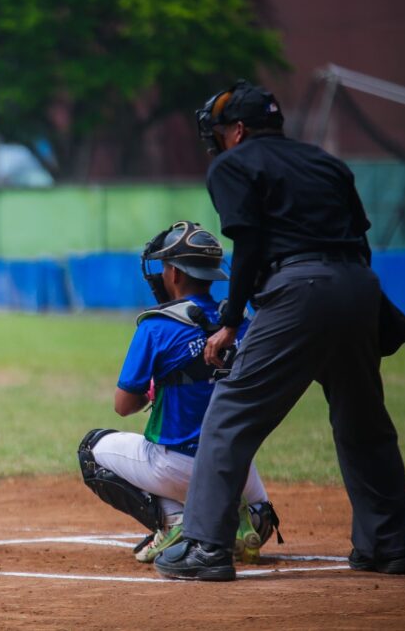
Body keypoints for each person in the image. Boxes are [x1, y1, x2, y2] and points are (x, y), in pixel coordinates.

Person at [154, 81, 405, 581]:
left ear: (240, 130)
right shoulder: (326, 162)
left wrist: (230, 321)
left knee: (231, 413)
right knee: (364, 424)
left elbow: (248, 244)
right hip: (359, 287)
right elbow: (359, 242)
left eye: (221, 130)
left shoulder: (233, 165)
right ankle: (388, 547)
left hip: (298, 288)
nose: (218, 139)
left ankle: (206, 546)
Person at [78, 221, 280, 565]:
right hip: (237, 466)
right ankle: (251, 519)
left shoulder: (157, 325)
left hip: (178, 465)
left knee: (91, 450)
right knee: (251, 494)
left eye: (165, 265)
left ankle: (175, 521)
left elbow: (123, 406)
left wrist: (153, 391)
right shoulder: (241, 324)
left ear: (174, 274)